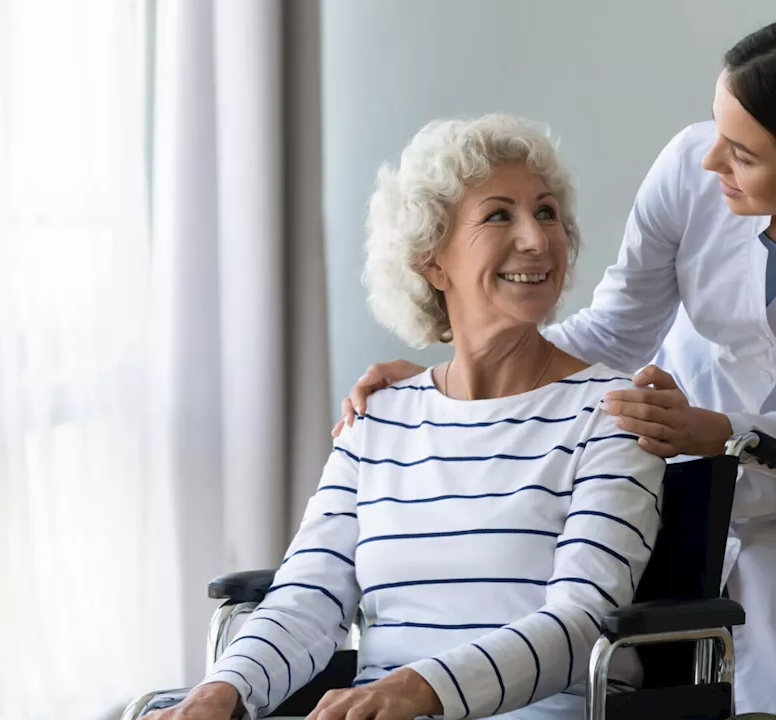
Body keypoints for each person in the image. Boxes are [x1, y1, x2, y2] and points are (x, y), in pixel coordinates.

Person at [334, 10, 776, 720]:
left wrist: (719, 432)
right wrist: (461, 379)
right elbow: (619, 328)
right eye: (718, 131)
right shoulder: (690, 167)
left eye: (742, 155)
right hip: (669, 494)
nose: (711, 160)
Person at [146, 115, 665, 720]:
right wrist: (220, 691)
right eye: (500, 215)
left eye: (546, 212)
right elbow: (305, 602)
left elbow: (581, 623)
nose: (536, 238)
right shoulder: (379, 419)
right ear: (431, 262)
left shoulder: (614, 415)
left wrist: (415, 690)